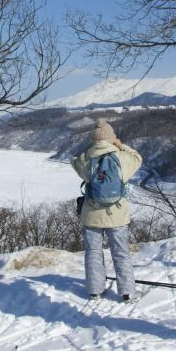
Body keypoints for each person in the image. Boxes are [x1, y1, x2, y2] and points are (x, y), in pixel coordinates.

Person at [71, 118, 142, 302]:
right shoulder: (122, 158)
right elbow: (138, 158)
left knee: (93, 252)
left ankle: (95, 290)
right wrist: (120, 145)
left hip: (91, 214)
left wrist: (89, 149)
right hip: (116, 214)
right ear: (111, 138)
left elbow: (74, 161)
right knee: (120, 252)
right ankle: (127, 292)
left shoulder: (86, 159)